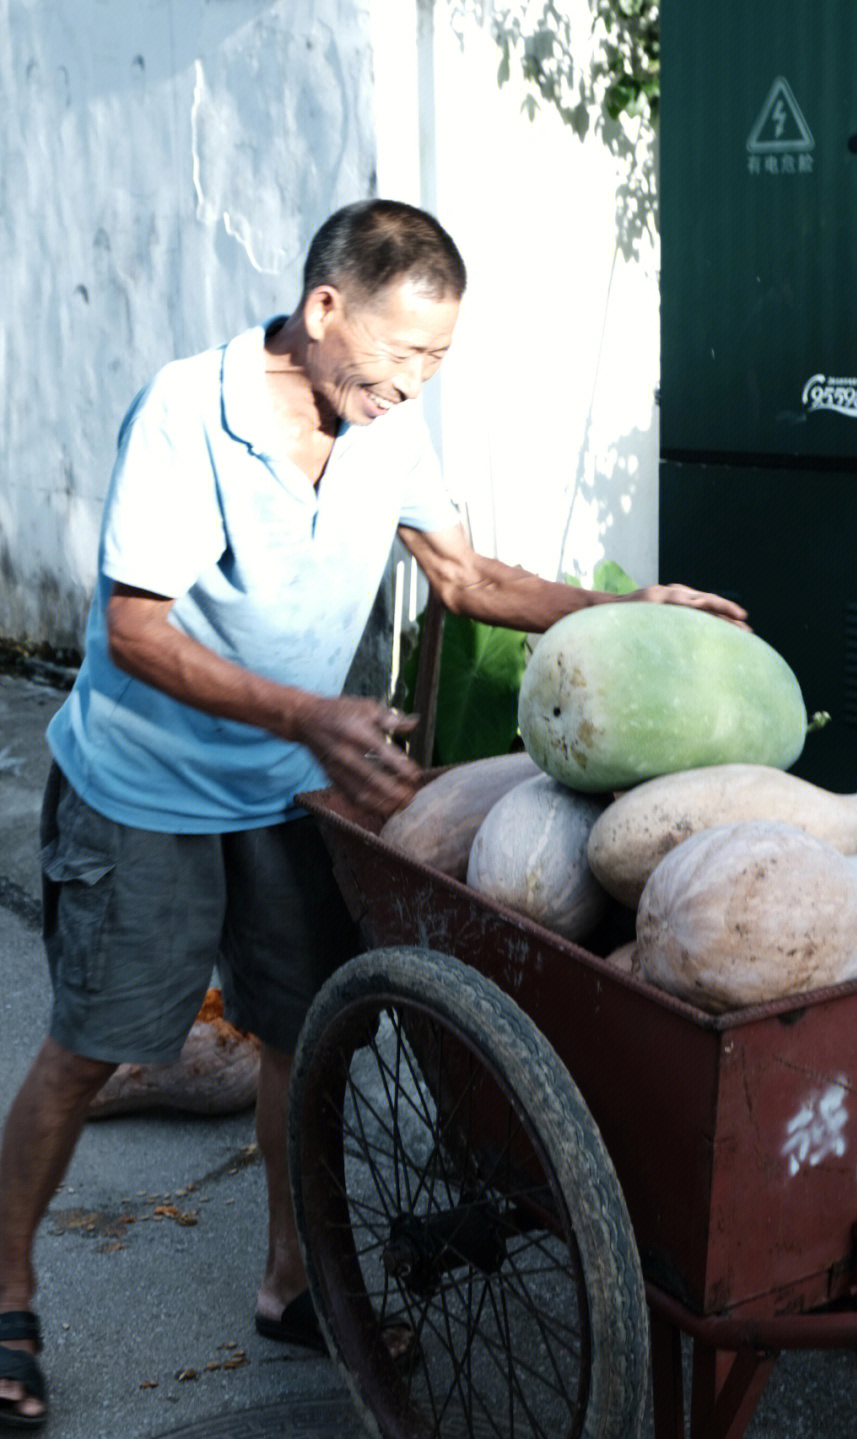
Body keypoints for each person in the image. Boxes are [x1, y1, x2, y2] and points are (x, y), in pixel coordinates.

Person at [0, 198, 746, 1427]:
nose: (417, 382)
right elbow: (135, 632)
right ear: (324, 308)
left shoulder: (389, 431)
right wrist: (306, 717)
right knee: (90, 1043)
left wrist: (627, 610)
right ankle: (11, 1291)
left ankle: (293, 1280)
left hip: (288, 786)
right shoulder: (192, 411)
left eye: (440, 359)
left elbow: (465, 576)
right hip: (143, 784)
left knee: (303, 1027)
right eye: (404, 352)